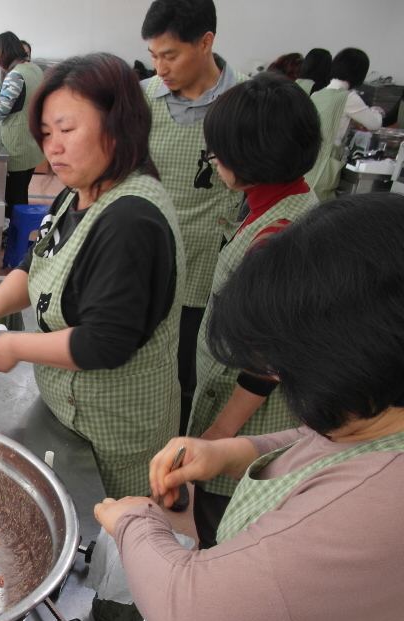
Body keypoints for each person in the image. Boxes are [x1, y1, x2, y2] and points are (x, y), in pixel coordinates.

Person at [94, 193, 404, 621]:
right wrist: (228, 453)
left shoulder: (378, 505)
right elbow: (319, 442)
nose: (284, 382)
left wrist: (133, 520)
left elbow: (184, 608)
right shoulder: (381, 410)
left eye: (291, 371)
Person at [0, 53, 183, 503]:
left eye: (67, 130)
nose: (52, 148)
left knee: (111, 532)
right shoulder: (79, 191)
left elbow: (104, 342)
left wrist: (14, 346)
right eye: (47, 133)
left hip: (113, 435)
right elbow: (37, 263)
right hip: (70, 416)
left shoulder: (131, 220)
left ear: (119, 125)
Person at [185, 73, 320, 548]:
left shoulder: (278, 233)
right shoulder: (283, 202)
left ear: (250, 158)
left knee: (223, 526)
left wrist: (222, 432)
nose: (215, 161)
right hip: (232, 397)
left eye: (218, 153)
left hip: (249, 418)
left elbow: (268, 357)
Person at [140, 0, 247, 436]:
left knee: (191, 374)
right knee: (143, 367)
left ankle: (184, 451)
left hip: (209, 267)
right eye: (153, 56)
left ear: (205, 43)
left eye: (170, 55)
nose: (160, 68)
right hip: (147, 260)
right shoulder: (142, 99)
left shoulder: (242, 103)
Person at [0, 31, 45, 256]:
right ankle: (19, 240)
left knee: (13, 198)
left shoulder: (15, 75)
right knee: (21, 193)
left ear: (3, 53)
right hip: (32, 143)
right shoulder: (34, 69)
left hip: (16, 146)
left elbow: (0, 112)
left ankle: (13, 243)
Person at [305, 47, 384, 201]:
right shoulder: (348, 98)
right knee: (320, 204)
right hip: (325, 164)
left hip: (309, 160)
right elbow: (374, 124)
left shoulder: (317, 94)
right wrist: (377, 112)